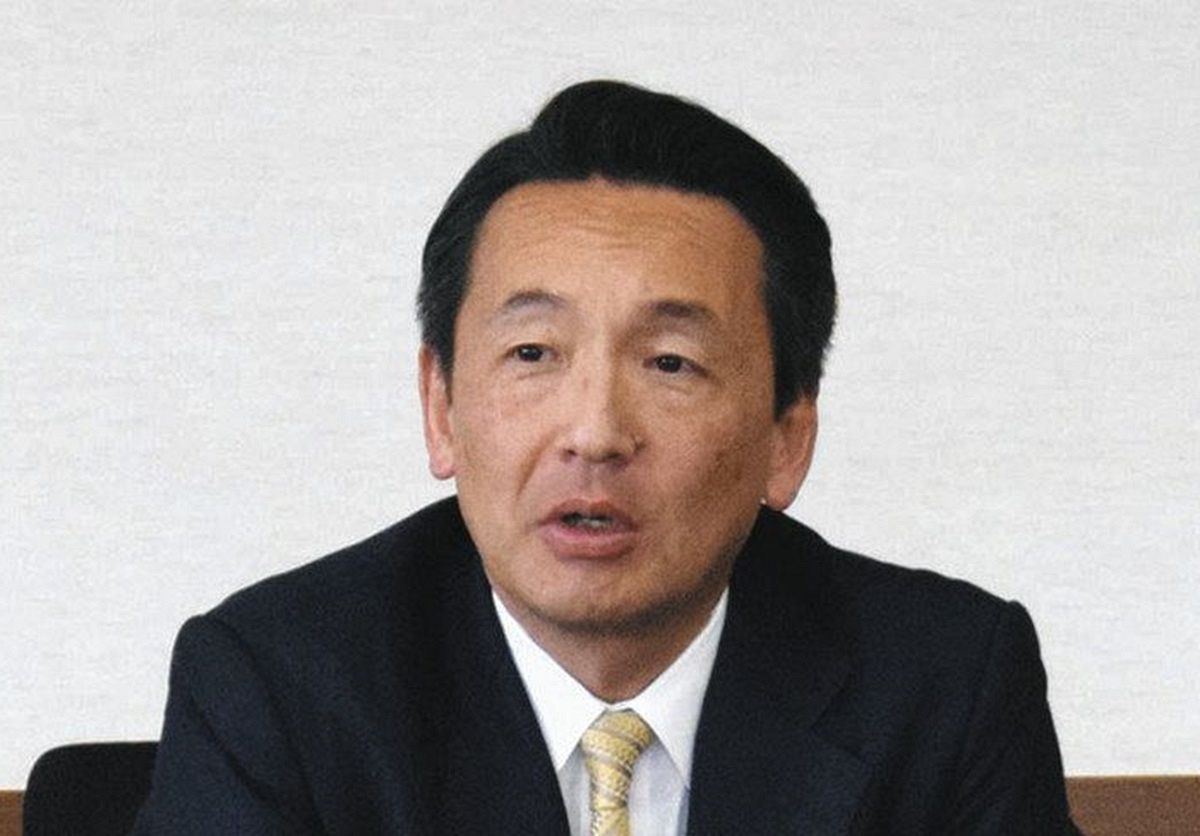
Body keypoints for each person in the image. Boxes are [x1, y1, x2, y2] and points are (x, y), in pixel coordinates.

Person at [133, 81, 1079, 834]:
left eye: (671, 363)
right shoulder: (279, 686)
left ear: (786, 439)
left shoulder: (944, 686)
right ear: (441, 407)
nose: (593, 432)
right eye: (532, 353)